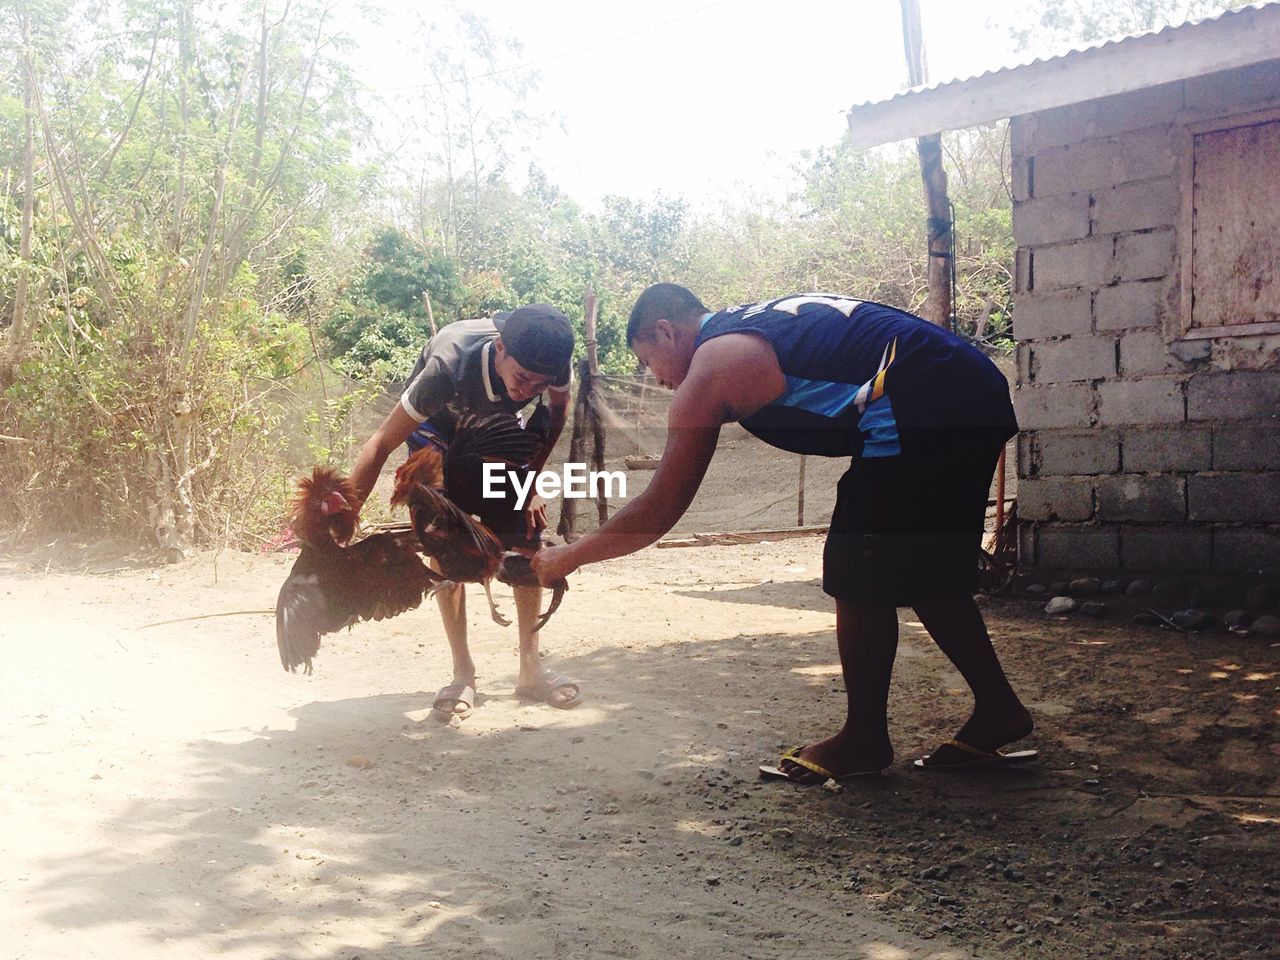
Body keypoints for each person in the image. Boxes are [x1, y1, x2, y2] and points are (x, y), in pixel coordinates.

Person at [532, 284, 1033, 779]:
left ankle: (864, 740)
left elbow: (661, 507)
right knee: (926, 571)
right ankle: (998, 709)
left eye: (649, 361)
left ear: (667, 330)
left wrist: (569, 556)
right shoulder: (753, 324)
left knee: (854, 567)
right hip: (971, 388)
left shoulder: (713, 365)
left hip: (921, 404)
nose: (656, 379)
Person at [350, 304, 583, 720]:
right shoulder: (448, 367)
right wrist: (343, 522)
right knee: (445, 538)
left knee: (523, 532)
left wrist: (526, 481)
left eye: (539, 384)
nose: (527, 389)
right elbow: (379, 445)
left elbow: (556, 413)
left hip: (494, 427)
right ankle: (463, 673)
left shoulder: (554, 363)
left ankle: (530, 668)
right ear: (499, 349)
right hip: (435, 429)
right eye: (522, 377)